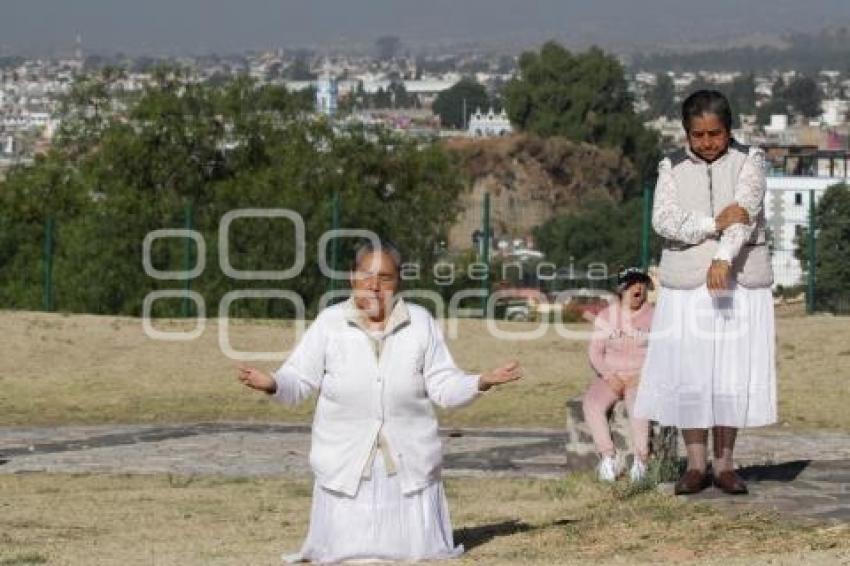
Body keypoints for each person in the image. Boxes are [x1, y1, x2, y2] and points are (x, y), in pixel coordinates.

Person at [238, 239, 523, 563]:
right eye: (366, 275)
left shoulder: (420, 322)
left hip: (408, 456)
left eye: (385, 277)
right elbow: (299, 379)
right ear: (351, 277)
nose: (374, 286)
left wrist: (480, 381)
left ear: (398, 281)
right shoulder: (329, 324)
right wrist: (272, 383)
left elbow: (443, 385)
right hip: (344, 456)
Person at [634, 90, 776, 495]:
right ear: (686, 134)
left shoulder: (751, 161)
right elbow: (664, 219)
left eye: (715, 133)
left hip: (737, 281)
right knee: (691, 374)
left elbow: (744, 215)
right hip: (686, 283)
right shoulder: (672, 167)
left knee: (729, 373)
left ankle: (725, 464)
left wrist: (723, 258)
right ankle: (695, 465)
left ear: (729, 130)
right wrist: (711, 223)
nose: (707, 142)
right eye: (698, 135)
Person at [583, 267, 654, 483]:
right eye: (632, 283)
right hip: (611, 375)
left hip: (641, 376)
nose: (638, 287)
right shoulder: (607, 315)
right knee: (592, 403)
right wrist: (608, 375)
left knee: (637, 405)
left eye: (642, 283)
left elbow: (663, 351)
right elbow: (595, 352)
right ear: (621, 289)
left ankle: (642, 460)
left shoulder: (655, 315)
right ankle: (608, 458)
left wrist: (643, 375)